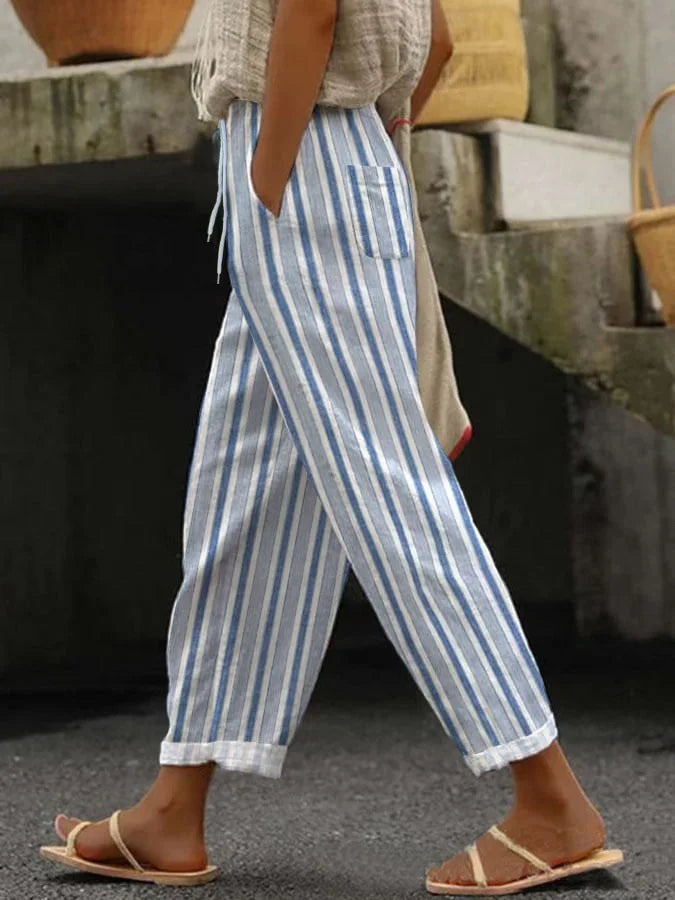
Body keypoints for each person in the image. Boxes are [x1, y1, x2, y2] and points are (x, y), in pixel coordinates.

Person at [40, 0, 624, 893]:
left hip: (300, 172)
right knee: (242, 495)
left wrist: (271, 173)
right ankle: (172, 807)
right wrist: (339, 156)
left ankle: (549, 799)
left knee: (391, 494)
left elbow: (310, 8)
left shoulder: (285, 166)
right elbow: (438, 38)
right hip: (333, 162)